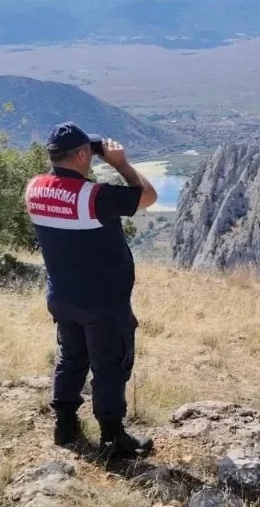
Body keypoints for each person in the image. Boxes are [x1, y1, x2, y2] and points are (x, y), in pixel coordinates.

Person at [25, 122, 158, 458]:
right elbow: (148, 196)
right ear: (83, 154)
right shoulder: (95, 197)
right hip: (103, 303)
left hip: (63, 297)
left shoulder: (35, 188)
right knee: (110, 368)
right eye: (90, 152)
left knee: (70, 360)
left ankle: (66, 426)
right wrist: (120, 164)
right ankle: (114, 441)